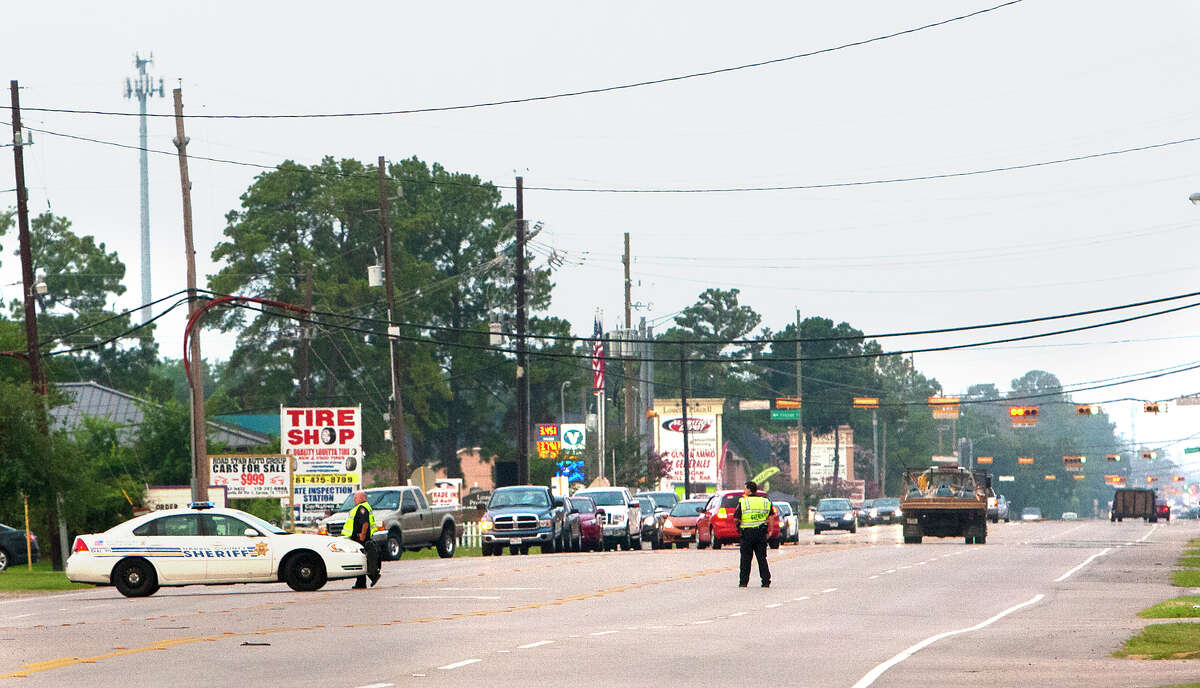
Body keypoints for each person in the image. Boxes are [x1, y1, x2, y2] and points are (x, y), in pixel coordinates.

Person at [734, 481, 775, 588]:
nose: (744, 491)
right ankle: (766, 581)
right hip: (761, 533)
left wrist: (738, 528)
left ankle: (743, 582)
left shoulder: (743, 502)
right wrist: (770, 531)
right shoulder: (765, 501)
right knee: (762, 558)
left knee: (745, 559)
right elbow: (771, 517)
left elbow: (736, 518)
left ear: (748, 489)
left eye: (745, 489)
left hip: (747, 534)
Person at [341, 491, 381, 589]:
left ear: (363, 498)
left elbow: (365, 523)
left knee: (360, 559)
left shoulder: (362, 508)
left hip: (360, 538)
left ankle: (371, 576)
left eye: (356, 498)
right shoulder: (364, 507)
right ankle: (361, 582)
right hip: (360, 537)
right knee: (360, 559)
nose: (354, 500)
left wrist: (362, 534)